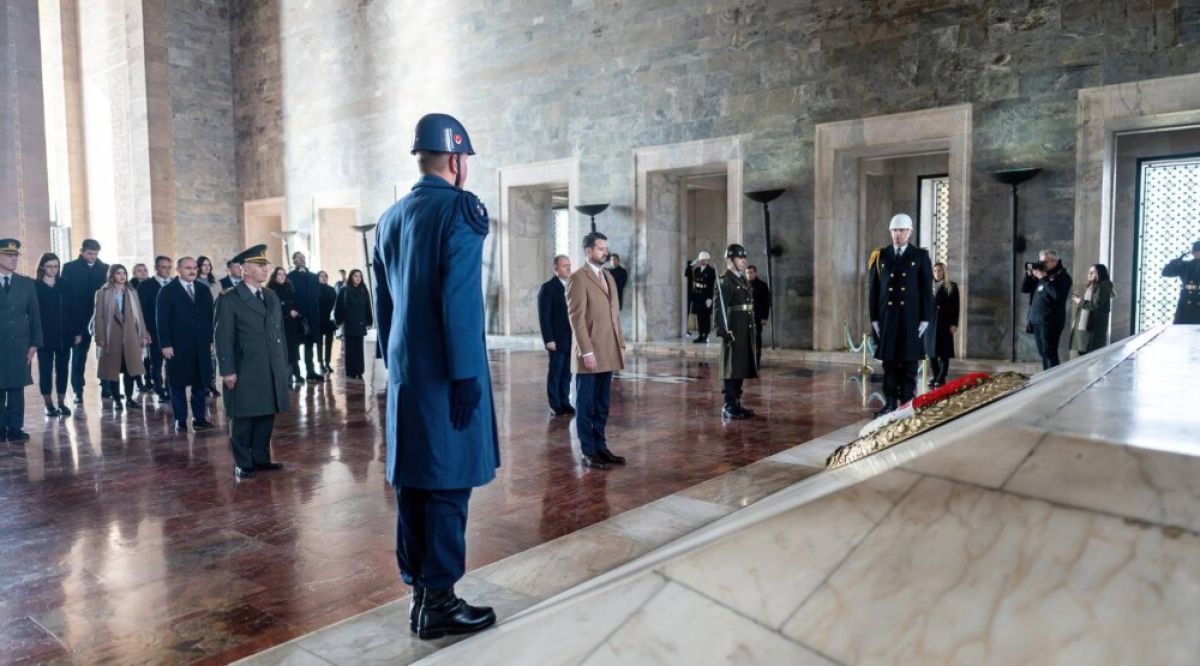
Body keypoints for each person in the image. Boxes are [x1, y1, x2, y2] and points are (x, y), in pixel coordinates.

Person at [373, 113, 499, 640]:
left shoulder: (390, 217)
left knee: (415, 487)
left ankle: (421, 597)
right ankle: (442, 601)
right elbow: (461, 299)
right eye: (465, 158)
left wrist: (393, 360)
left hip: (406, 375)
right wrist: (468, 374)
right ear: (456, 159)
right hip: (449, 372)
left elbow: (385, 306)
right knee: (448, 486)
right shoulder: (460, 209)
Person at [214, 244, 291, 479]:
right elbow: (222, 337)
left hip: (270, 366)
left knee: (266, 415)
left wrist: (284, 365)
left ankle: (261, 458)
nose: (265, 269)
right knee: (244, 417)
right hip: (245, 367)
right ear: (244, 270)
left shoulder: (271, 296)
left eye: (265, 265)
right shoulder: (229, 299)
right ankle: (243, 462)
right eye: (259, 266)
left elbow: (280, 334)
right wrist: (227, 370)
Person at [567, 231, 626, 469]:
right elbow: (576, 318)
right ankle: (588, 451)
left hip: (609, 350)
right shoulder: (577, 278)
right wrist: (586, 351)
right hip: (589, 354)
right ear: (588, 251)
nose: (605, 252)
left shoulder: (608, 277)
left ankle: (601, 447)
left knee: (602, 404)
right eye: (601, 248)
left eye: (606, 248)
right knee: (585, 405)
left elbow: (615, 316)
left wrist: (621, 344)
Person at [869, 213, 933, 416]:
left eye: (902, 230)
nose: (898, 234)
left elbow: (926, 289)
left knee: (908, 363)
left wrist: (925, 318)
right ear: (890, 232)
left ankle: (906, 403)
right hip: (887, 317)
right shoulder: (880, 255)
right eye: (895, 230)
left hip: (910, 318)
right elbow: (874, 290)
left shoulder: (920, 256)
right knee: (889, 363)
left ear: (910, 232)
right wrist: (874, 318)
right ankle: (889, 403)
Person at [157, 257, 216, 432]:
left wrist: (210, 340)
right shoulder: (167, 291)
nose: (192, 271)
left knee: (200, 383)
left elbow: (210, 317)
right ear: (178, 269)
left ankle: (199, 419)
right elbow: (161, 320)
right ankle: (180, 420)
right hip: (177, 346)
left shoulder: (203, 290)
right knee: (178, 384)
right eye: (188, 268)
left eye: (194, 268)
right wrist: (165, 344)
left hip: (201, 345)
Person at [91, 264, 149, 411]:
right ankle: (117, 399)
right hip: (111, 336)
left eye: (124, 273)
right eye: (118, 273)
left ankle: (129, 398)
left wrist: (143, 333)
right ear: (112, 275)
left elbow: (140, 315)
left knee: (131, 369)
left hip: (130, 336)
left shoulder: (132, 292)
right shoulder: (102, 293)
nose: (122, 276)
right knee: (112, 371)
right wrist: (100, 337)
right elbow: (98, 317)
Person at [0, 240, 42, 441]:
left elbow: (35, 315)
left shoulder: (26, 283)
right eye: (8, 255)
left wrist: (34, 344)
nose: (14, 258)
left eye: (16, 255)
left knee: (17, 388)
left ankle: (15, 428)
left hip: (19, 345)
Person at [714, 245, 758, 419]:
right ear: (731, 260)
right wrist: (723, 331)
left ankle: (737, 402)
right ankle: (728, 404)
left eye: (744, 258)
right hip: (733, 329)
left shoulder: (742, 279)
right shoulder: (725, 280)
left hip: (744, 328)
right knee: (731, 368)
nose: (744, 261)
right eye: (740, 258)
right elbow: (719, 308)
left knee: (740, 367)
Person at [62, 239, 108, 403]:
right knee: (79, 357)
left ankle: (107, 387)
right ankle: (77, 391)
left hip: (101, 320)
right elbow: (66, 296)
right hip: (79, 321)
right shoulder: (69, 268)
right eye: (90, 253)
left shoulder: (105, 268)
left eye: (95, 254)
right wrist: (72, 324)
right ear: (82, 251)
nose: (93, 257)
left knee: (105, 355)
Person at [35, 253, 75, 417]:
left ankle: (61, 402)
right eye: (50, 266)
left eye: (56, 266)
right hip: (44, 336)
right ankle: (48, 404)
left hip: (64, 335)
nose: (53, 269)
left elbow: (73, 309)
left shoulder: (65, 284)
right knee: (45, 370)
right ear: (42, 267)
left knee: (63, 369)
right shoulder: (35, 286)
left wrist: (77, 331)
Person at [1021, 248, 1072, 370]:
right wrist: (1029, 275)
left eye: (1045, 262)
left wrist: (1043, 278)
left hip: (1050, 321)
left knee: (1049, 353)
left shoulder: (1063, 276)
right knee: (1043, 354)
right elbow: (1025, 289)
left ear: (1054, 261)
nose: (1041, 264)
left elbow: (1057, 295)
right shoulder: (1042, 276)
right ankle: (1047, 380)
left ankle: (1055, 381)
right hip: (1037, 320)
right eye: (1040, 261)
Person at [538, 255, 574, 416]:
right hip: (556, 340)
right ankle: (555, 404)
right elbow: (544, 316)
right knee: (556, 373)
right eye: (564, 265)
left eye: (569, 265)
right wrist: (548, 339)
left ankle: (565, 402)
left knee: (567, 373)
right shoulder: (548, 288)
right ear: (555, 268)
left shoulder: (573, 286)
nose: (568, 268)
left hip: (572, 339)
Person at [138, 256, 173, 401]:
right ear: (156, 268)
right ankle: (159, 390)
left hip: (173, 331)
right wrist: (144, 330)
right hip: (154, 330)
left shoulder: (174, 284)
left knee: (172, 362)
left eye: (169, 267)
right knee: (156, 362)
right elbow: (141, 310)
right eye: (163, 267)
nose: (166, 270)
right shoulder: (146, 286)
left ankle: (170, 388)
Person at [288, 252, 324, 381]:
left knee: (309, 345)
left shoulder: (314, 277)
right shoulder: (290, 277)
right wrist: (294, 310)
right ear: (294, 261)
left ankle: (310, 372)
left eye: (303, 257)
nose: (302, 259)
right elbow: (289, 296)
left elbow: (317, 296)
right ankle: (296, 374)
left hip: (311, 317)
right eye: (298, 257)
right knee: (295, 345)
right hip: (296, 317)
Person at [924, 261, 960, 389]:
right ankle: (936, 375)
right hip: (930, 323)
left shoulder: (951, 286)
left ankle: (941, 376)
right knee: (931, 352)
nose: (937, 273)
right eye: (935, 271)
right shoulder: (928, 286)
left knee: (944, 352)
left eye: (939, 270)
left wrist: (954, 324)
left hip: (945, 322)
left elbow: (955, 307)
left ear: (944, 272)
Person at [267, 267, 304, 385]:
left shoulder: (290, 288)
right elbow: (273, 308)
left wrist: (296, 311)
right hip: (278, 325)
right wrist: (288, 309)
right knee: (282, 351)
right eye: (279, 274)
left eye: (284, 274)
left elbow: (297, 303)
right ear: (274, 276)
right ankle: (285, 378)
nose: (282, 276)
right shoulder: (270, 290)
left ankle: (296, 374)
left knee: (293, 350)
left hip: (291, 325)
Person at [334, 269, 372, 379]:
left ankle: (359, 371)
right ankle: (351, 371)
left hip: (360, 322)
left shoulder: (364, 290)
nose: (358, 278)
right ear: (351, 277)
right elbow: (338, 307)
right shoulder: (344, 290)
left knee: (359, 349)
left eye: (360, 276)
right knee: (350, 348)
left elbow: (367, 307)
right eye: (356, 276)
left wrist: (369, 322)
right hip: (349, 322)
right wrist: (339, 321)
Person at [1070, 263, 1114, 356]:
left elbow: (1095, 305)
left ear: (1100, 274)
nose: (1089, 274)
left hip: (1092, 328)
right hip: (1088, 328)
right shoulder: (1094, 286)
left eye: (1092, 272)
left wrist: (1080, 301)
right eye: (1089, 272)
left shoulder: (1102, 286)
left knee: (1089, 356)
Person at [1162, 240, 1200, 324]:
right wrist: (1178, 260)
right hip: (1188, 299)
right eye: (1197, 251)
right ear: (1193, 253)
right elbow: (1166, 272)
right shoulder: (1186, 265)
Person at [686, 251, 716, 343]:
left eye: (704, 259)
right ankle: (700, 334)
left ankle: (705, 335)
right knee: (699, 317)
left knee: (705, 317)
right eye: (701, 260)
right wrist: (690, 266)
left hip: (706, 296)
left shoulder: (711, 271)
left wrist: (710, 298)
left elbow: (711, 286)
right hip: (698, 296)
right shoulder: (697, 270)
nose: (703, 261)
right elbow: (687, 275)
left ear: (707, 260)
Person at [746, 265, 771, 368]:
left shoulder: (762, 285)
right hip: (745, 317)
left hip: (757, 316)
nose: (749, 275)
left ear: (755, 273)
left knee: (756, 338)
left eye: (751, 272)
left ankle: (757, 361)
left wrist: (765, 317)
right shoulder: (742, 285)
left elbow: (766, 303)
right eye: (747, 273)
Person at [317, 270, 337, 374]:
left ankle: (327, 363)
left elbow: (335, 305)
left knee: (329, 343)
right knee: (319, 343)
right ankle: (320, 364)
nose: (323, 278)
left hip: (329, 319)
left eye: (325, 276)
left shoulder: (332, 290)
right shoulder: (315, 289)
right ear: (318, 278)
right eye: (321, 276)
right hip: (318, 320)